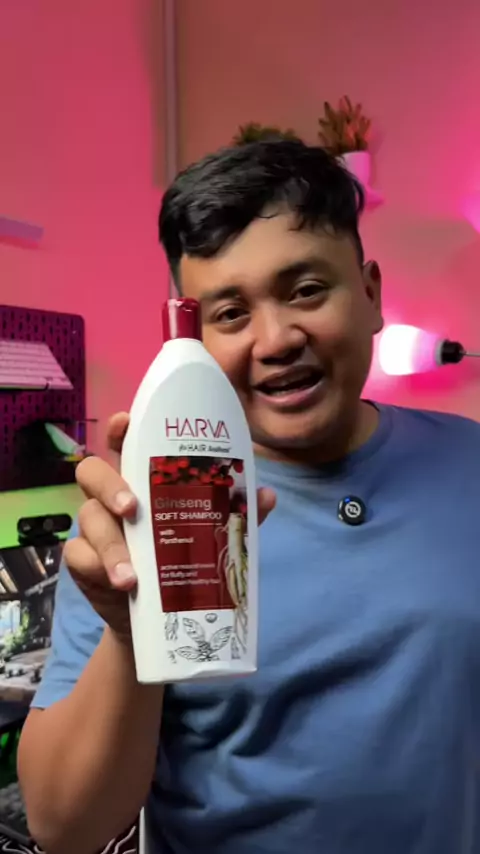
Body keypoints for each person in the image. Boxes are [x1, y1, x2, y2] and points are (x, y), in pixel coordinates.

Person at [18, 139, 480, 854]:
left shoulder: (467, 462)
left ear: (370, 295)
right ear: (194, 337)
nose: (275, 339)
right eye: (230, 313)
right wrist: (132, 626)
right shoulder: (148, 517)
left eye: (306, 290)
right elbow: (65, 828)